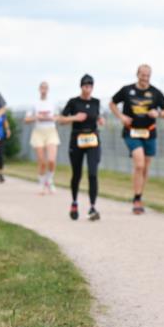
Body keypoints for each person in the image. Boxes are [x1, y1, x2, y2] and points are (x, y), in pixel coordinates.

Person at [111, 64, 164, 214]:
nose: (144, 78)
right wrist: (121, 116)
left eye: (147, 76)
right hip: (131, 132)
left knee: (145, 167)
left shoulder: (155, 93)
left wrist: (157, 113)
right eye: (142, 75)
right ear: (137, 74)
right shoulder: (127, 90)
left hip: (149, 133)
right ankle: (137, 198)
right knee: (139, 164)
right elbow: (112, 103)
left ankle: (139, 195)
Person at [60, 74, 105, 221]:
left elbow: (97, 116)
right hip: (77, 140)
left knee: (92, 173)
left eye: (90, 86)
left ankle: (92, 207)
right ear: (81, 86)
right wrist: (74, 117)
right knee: (77, 174)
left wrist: (100, 119)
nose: (88, 89)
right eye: (85, 86)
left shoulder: (96, 102)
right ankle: (74, 202)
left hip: (92, 140)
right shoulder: (73, 102)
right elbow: (61, 119)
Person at [25, 81, 60, 195]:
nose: (43, 90)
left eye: (45, 88)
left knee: (51, 160)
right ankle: (41, 184)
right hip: (38, 132)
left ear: (48, 89)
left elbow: (59, 117)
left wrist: (51, 117)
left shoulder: (53, 103)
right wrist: (37, 116)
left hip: (50, 131)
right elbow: (27, 119)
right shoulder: (34, 104)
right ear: (39, 89)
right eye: (42, 88)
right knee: (42, 161)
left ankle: (49, 180)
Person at [0, 111, 12, 183]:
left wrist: (7, 130)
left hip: (0, 137)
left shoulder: (1, 111)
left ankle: (0, 175)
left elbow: (5, 121)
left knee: (0, 156)